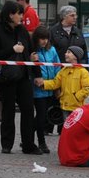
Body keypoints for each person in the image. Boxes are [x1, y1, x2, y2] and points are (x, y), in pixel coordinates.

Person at [0, 0, 37, 155]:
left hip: (23, 75)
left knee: (28, 110)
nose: (21, 16)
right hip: (7, 77)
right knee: (8, 111)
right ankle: (7, 144)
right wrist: (12, 49)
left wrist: (33, 61)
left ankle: (28, 144)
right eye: (19, 13)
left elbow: (29, 51)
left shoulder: (22, 30)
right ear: (10, 15)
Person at [44, 47, 89, 132]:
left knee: (76, 129)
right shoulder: (63, 71)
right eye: (66, 52)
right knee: (67, 129)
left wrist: (76, 97)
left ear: (76, 56)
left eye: (69, 52)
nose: (65, 54)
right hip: (65, 106)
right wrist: (43, 84)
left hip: (76, 107)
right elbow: (55, 83)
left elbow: (88, 87)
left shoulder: (83, 71)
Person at [29, 25, 59, 154]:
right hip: (38, 90)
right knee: (41, 117)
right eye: (42, 38)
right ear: (36, 39)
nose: (44, 41)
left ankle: (27, 137)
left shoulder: (52, 50)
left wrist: (57, 85)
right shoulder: (33, 52)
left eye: (46, 38)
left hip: (50, 88)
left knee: (45, 117)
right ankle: (41, 142)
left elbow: (57, 67)